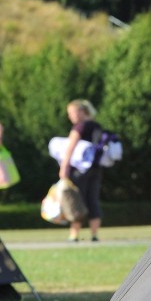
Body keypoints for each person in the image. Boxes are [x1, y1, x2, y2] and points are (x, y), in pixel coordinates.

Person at [59, 98, 103, 242]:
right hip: (96, 168)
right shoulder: (97, 126)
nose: (70, 116)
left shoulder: (80, 127)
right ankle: (94, 235)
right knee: (93, 200)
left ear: (81, 111)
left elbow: (70, 147)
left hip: (79, 170)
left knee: (76, 200)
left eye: (71, 112)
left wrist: (64, 167)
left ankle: (74, 234)